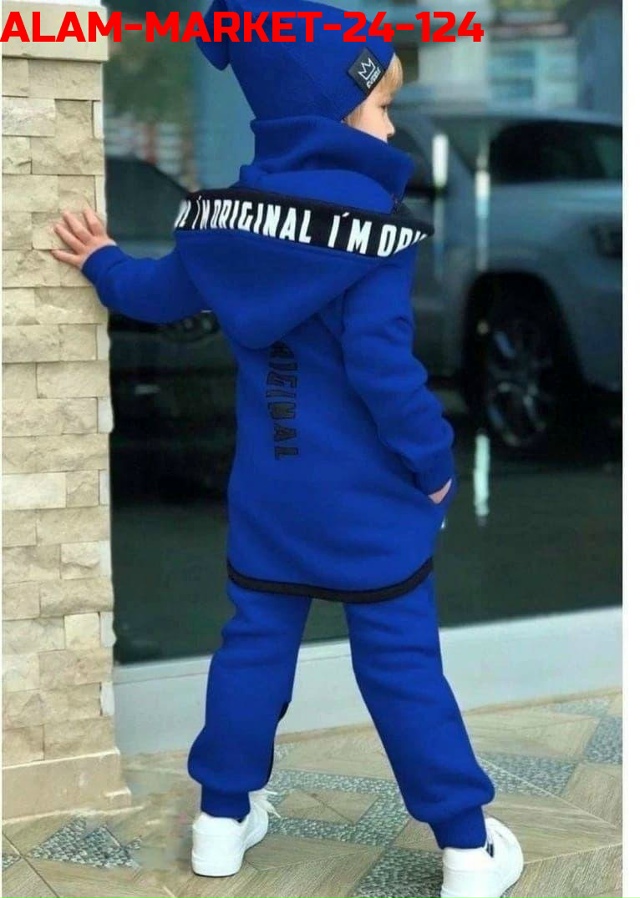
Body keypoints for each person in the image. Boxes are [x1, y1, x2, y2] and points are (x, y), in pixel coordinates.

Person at [51, 1, 524, 895]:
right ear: (330, 114)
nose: (392, 126)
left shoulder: (221, 223)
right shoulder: (376, 228)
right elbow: (383, 369)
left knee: (254, 651)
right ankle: (467, 850)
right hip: (368, 502)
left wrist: (102, 260)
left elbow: (153, 294)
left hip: (272, 495)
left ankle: (220, 824)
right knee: (401, 667)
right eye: (381, 106)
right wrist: (433, 464)